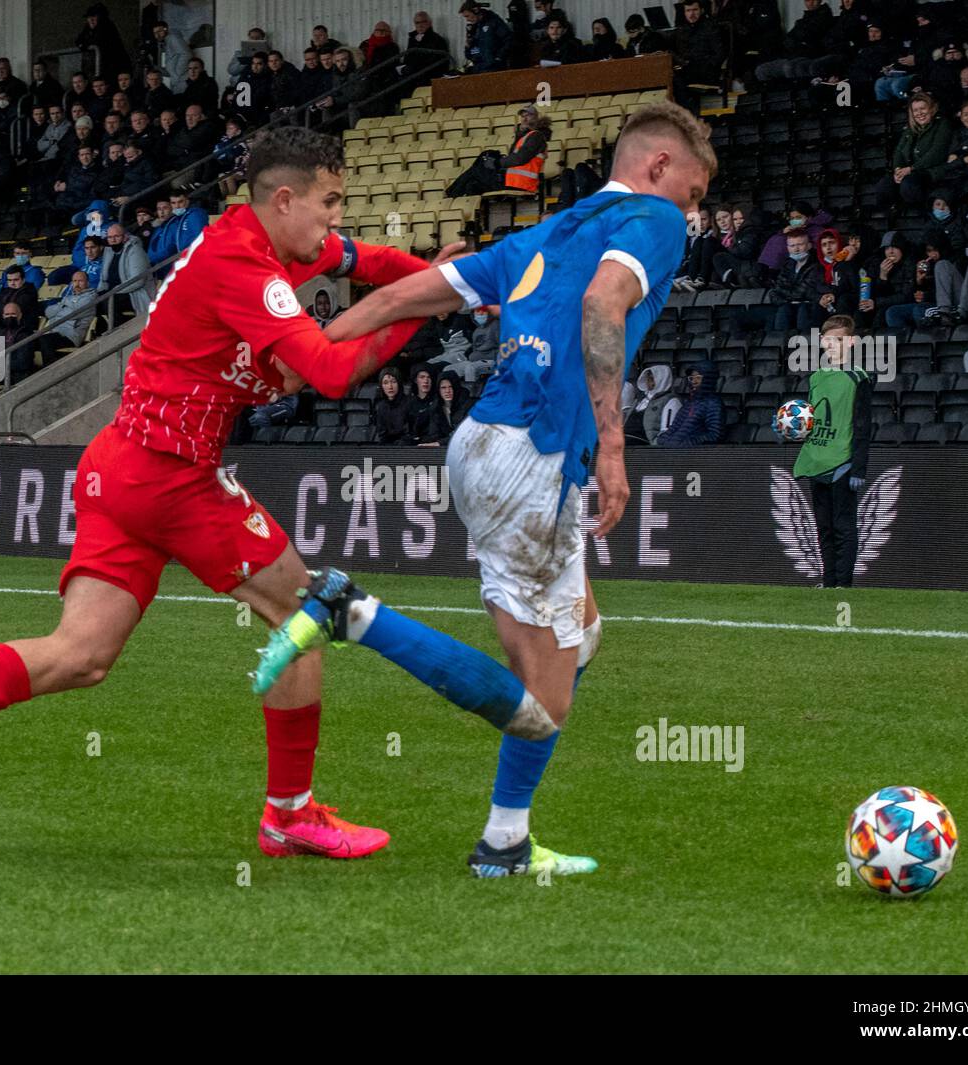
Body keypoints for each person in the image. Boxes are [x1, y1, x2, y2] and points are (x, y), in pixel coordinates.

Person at [0, 127, 468, 872]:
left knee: (80, 654)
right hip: (174, 475)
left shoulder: (257, 241)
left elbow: (363, 263)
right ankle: (290, 816)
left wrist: (434, 277)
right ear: (285, 199)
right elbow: (326, 374)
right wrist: (432, 301)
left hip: (120, 467)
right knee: (306, 610)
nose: (336, 221)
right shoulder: (244, 268)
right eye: (329, 204)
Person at [253, 102, 716, 877]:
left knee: (582, 638)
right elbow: (604, 303)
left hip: (480, 445)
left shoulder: (543, 233)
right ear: (660, 167)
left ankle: (505, 840)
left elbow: (407, 295)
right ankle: (351, 612)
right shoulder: (654, 220)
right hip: (536, 459)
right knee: (540, 709)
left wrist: (307, 351)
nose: (693, 216)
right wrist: (612, 444)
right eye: (694, 194)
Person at [792, 315, 870, 588]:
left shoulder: (858, 377)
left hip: (842, 462)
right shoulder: (815, 378)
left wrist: (858, 467)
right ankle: (828, 581)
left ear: (850, 342)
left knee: (843, 525)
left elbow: (862, 425)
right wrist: (797, 429)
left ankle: (843, 583)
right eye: (828, 339)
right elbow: (812, 419)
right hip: (817, 459)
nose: (832, 344)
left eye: (839, 340)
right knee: (823, 526)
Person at [446, 104, 550, 198]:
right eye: (522, 116)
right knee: (472, 185)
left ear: (536, 118)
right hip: (512, 181)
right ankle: (472, 216)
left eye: (528, 115)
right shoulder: (525, 136)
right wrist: (520, 134)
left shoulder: (536, 136)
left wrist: (497, 163)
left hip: (521, 183)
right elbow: (513, 157)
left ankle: (450, 196)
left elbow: (520, 158)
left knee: (476, 170)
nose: (524, 119)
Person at [873, 93, 952, 212]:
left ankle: (921, 212)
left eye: (923, 108)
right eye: (915, 110)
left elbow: (937, 153)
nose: (919, 113)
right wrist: (898, 170)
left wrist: (911, 168)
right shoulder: (910, 129)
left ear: (932, 109)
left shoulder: (942, 124)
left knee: (909, 184)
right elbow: (899, 151)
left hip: (932, 172)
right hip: (910, 171)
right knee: (884, 185)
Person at [656, 360, 722, 447]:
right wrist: (662, 439)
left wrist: (689, 443)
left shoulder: (714, 404)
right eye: (691, 378)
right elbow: (674, 428)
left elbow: (715, 435)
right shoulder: (688, 404)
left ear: (708, 379)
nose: (693, 381)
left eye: (698, 378)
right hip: (674, 452)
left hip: (693, 455)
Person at [620, 364, 679, 444]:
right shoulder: (640, 400)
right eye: (648, 378)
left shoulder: (671, 401)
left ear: (662, 380)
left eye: (652, 379)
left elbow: (666, 432)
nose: (648, 381)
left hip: (644, 444)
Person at [461, 1, 513, 74]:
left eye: (468, 16)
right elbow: (473, 51)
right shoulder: (475, 28)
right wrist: (468, 48)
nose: (467, 19)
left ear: (476, 11)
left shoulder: (494, 22)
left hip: (494, 68)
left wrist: (499, 57)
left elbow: (509, 40)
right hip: (479, 68)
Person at [373, 367, 412, 443]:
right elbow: (382, 434)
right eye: (386, 383)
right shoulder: (381, 406)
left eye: (393, 382)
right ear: (381, 386)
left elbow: (410, 433)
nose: (390, 386)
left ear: (399, 383)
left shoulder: (410, 403)